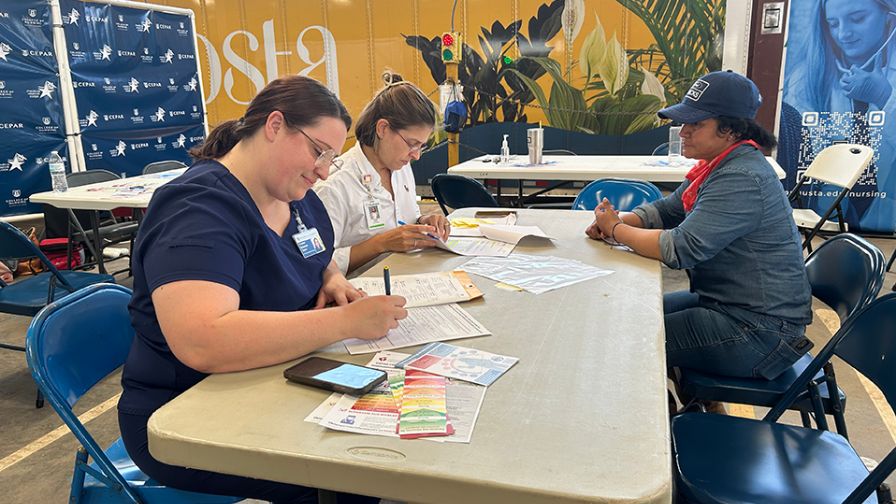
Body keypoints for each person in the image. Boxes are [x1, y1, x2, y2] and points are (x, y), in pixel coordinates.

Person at [118, 75, 407, 504]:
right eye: (318, 151)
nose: (325, 169)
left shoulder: (291, 193)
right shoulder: (197, 212)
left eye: (331, 156)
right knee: (351, 476)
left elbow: (309, 248)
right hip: (185, 413)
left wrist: (330, 277)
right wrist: (342, 321)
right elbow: (203, 340)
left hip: (271, 381)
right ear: (274, 125)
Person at [586, 71, 813, 392]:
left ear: (731, 129)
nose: (684, 132)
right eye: (684, 122)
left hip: (760, 333)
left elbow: (681, 248)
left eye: (696, 124)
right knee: (628, 311)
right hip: (727, 307)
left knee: (622, 341)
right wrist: (616, 221)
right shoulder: (717, 166)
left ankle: (652, 428)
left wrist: (616, 229)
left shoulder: (742, 177)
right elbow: (667, 210)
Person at [315, 72, 450, 274]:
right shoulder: (334, 185)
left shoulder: (400, 168)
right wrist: (380, 244)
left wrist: (423, 223)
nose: (416, 156)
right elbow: (318, 264)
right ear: (383, 128)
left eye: (422, 146)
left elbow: (404, 218)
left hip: (410, 276)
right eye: (412, 144)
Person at [783, 0, 896, 230]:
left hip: (886, 219)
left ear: (889, 16)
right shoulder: (804, 78)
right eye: (833, 23)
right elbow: (797, 151)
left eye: (858, 19)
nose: (844, 34)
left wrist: (885, 97)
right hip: (823, 215)